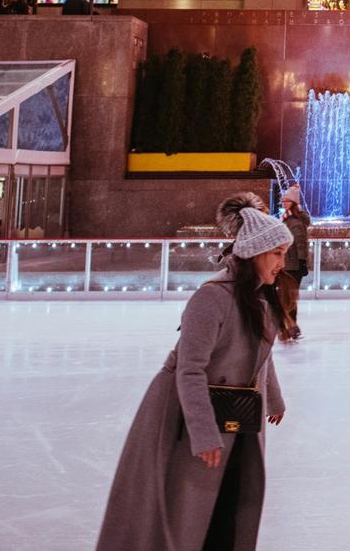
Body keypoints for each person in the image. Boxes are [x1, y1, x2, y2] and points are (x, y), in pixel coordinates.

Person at [95, 196, 290, 551]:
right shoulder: (211, 298)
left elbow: (261, 354)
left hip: (235, 414)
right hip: (185, 416)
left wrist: (274, 399)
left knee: (230, 501)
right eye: (276, 252)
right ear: (255, 252)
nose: (283, 262)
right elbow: (190, 370)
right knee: (183, 509)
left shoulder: (259, 299)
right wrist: (203, 434)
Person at [278, 185, 310, 339]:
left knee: (288, 297)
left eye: (287, 200)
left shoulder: (294, 221)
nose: (283, 203)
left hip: (293, 265)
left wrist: (302, 262)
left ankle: (290, 327)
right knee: (287, 297)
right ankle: (289, 327)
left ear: (294, 203)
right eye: (282, 200)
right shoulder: (287, 219)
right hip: (287, 263)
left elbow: (301, 243)